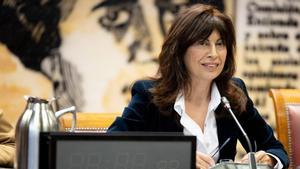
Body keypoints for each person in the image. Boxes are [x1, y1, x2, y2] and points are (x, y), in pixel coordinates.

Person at [108, 4, 289, 169]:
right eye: (203, 43)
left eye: (220, 44)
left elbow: (276, 149)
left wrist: (269, 158)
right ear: (180, 50)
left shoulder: (233, 95)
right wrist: (176, 157)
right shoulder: (150, 95)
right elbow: (112, 147)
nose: (213, 54)